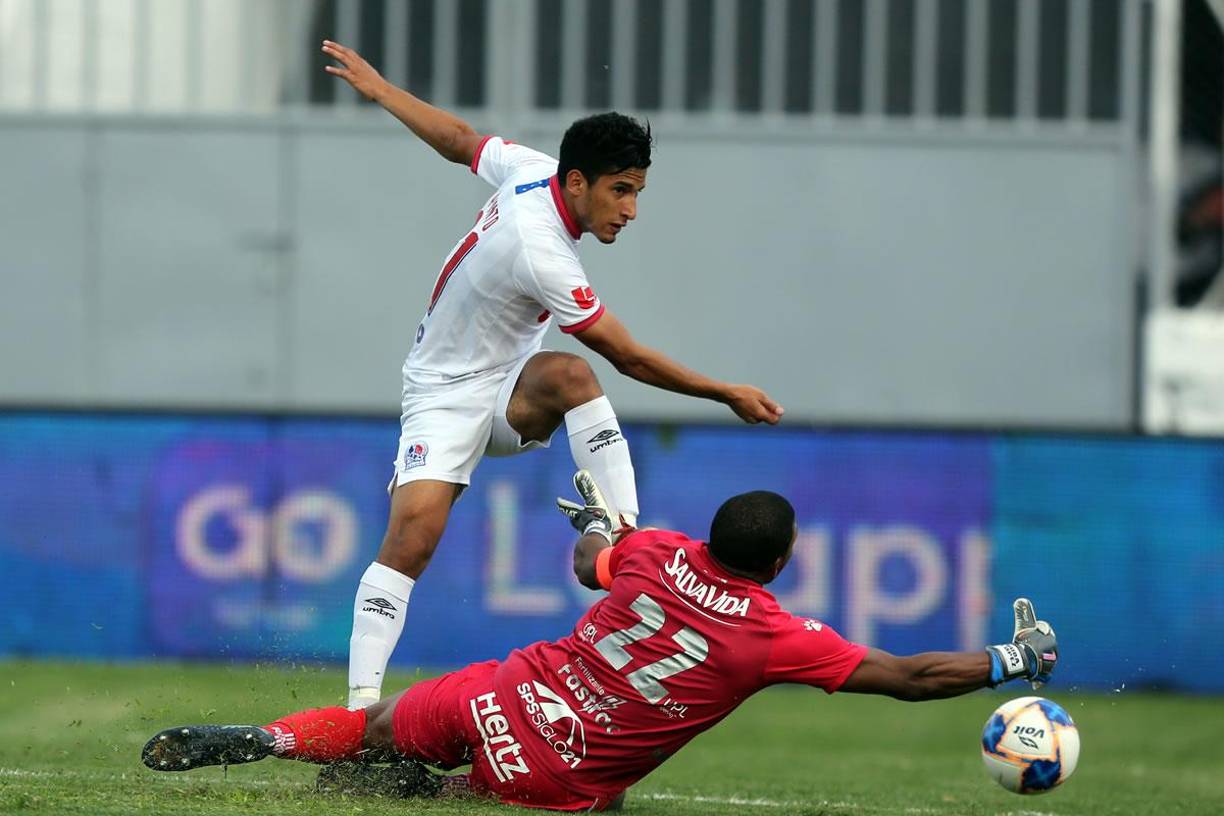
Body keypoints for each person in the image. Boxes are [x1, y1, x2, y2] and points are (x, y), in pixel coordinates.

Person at [317, 40, 785, 710]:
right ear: (577, 183)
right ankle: (360, 712)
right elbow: (629, 357)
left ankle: (619, 536)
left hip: (512, 388)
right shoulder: (543, 251)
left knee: (569, 374)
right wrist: (722, 390)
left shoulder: (535, 169)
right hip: (442, 395)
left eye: (638, 191)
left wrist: (383, 91)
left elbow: (461, 140)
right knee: (411, 541)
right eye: (620, 191)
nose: (630, 209)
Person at [143, 472, 1059, 811]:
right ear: (778, 562)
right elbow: (908, 676)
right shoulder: (775, 637)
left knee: (381, 723)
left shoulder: (654, 552)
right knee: (577, 801)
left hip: (500, 693)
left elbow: (591, 556)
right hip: (557, 768)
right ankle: (429, 799)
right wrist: (1012, 663)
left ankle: (267, 741)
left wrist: (600, 529)